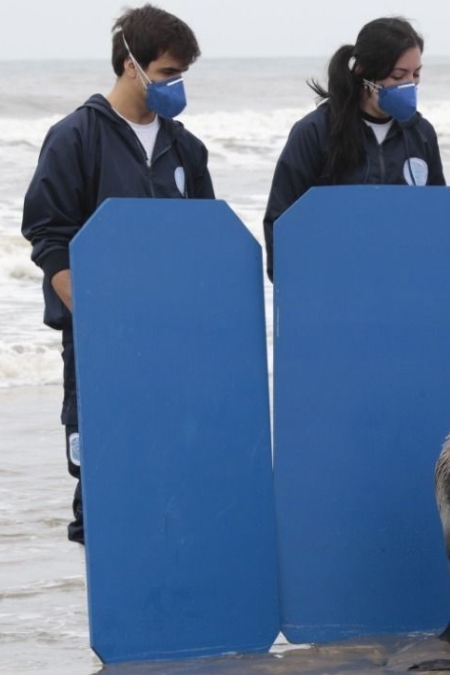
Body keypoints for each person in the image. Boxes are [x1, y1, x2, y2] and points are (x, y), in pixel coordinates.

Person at [20, 4, 212, 546]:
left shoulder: (185, 148)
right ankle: (106, 614)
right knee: (101, 482)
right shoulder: (75, 137)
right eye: (169, 73)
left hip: (173, 342)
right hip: (99, 345)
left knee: (172, 470)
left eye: (182, 75)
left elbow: (204, 243)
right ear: (131, 64)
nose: (177, 86)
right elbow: (49, 236)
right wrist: (98, 318)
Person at [264, 17, 446, 281]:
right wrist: (295, 288)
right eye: (398, 75)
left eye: (416, 74)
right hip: (332, 284)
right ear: (364, 74)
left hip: (402, 282)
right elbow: (280, 221)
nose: (410, 84)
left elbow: (439, 216)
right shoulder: (314, 132)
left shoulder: (421, 134)